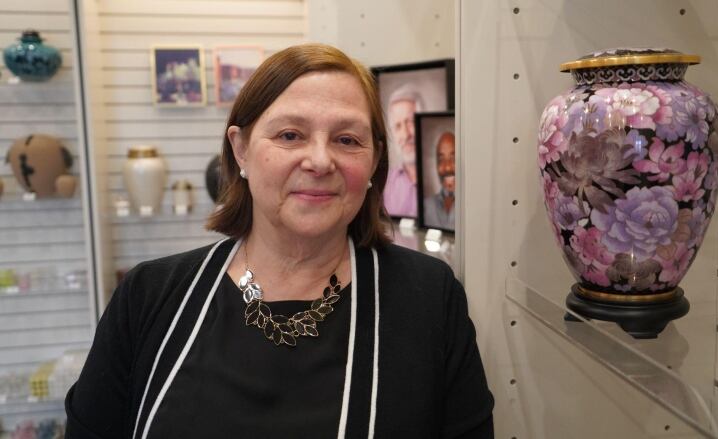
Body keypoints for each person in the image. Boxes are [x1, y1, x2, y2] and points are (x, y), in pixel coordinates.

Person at [64, 43, 493, 438]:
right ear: (241, 149)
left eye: (347, 139)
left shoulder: (429, 299)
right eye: (290, 135)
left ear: (375, 160)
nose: (320, 160)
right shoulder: (149, 297)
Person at [382, 85, 425, 218]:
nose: (405, 135)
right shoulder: (385, 183)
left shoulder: (444, 182)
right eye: (398, 126)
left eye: (410, 122)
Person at [424, 131, 456, 230]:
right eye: (441, 159)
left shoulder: (475, 206)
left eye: (453, 158)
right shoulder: (426, 206)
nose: (447, 167)